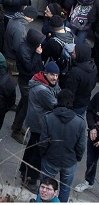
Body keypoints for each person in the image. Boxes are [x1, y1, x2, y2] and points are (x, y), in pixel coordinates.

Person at [20, 61, 61, 192]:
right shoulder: (42, 90)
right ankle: (30, 179)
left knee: (31, 148)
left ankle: (23, 171)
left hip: (36, 122)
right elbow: (55, 104)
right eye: (52, 75)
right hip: (40, 124)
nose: (55, 78)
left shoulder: (43, 82)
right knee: (37, 154)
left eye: (57, 75)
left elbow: (57, 91)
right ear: (45, 73)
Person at [39, 89, 87, 202]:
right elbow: (81, 146)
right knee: (65, 189)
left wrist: (43, 154)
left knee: (45, 188)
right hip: (69, 161)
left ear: (58, 100)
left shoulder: (48, 117)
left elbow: (43, 141)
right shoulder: (80, 122)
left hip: (50, 159)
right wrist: (77, 158)